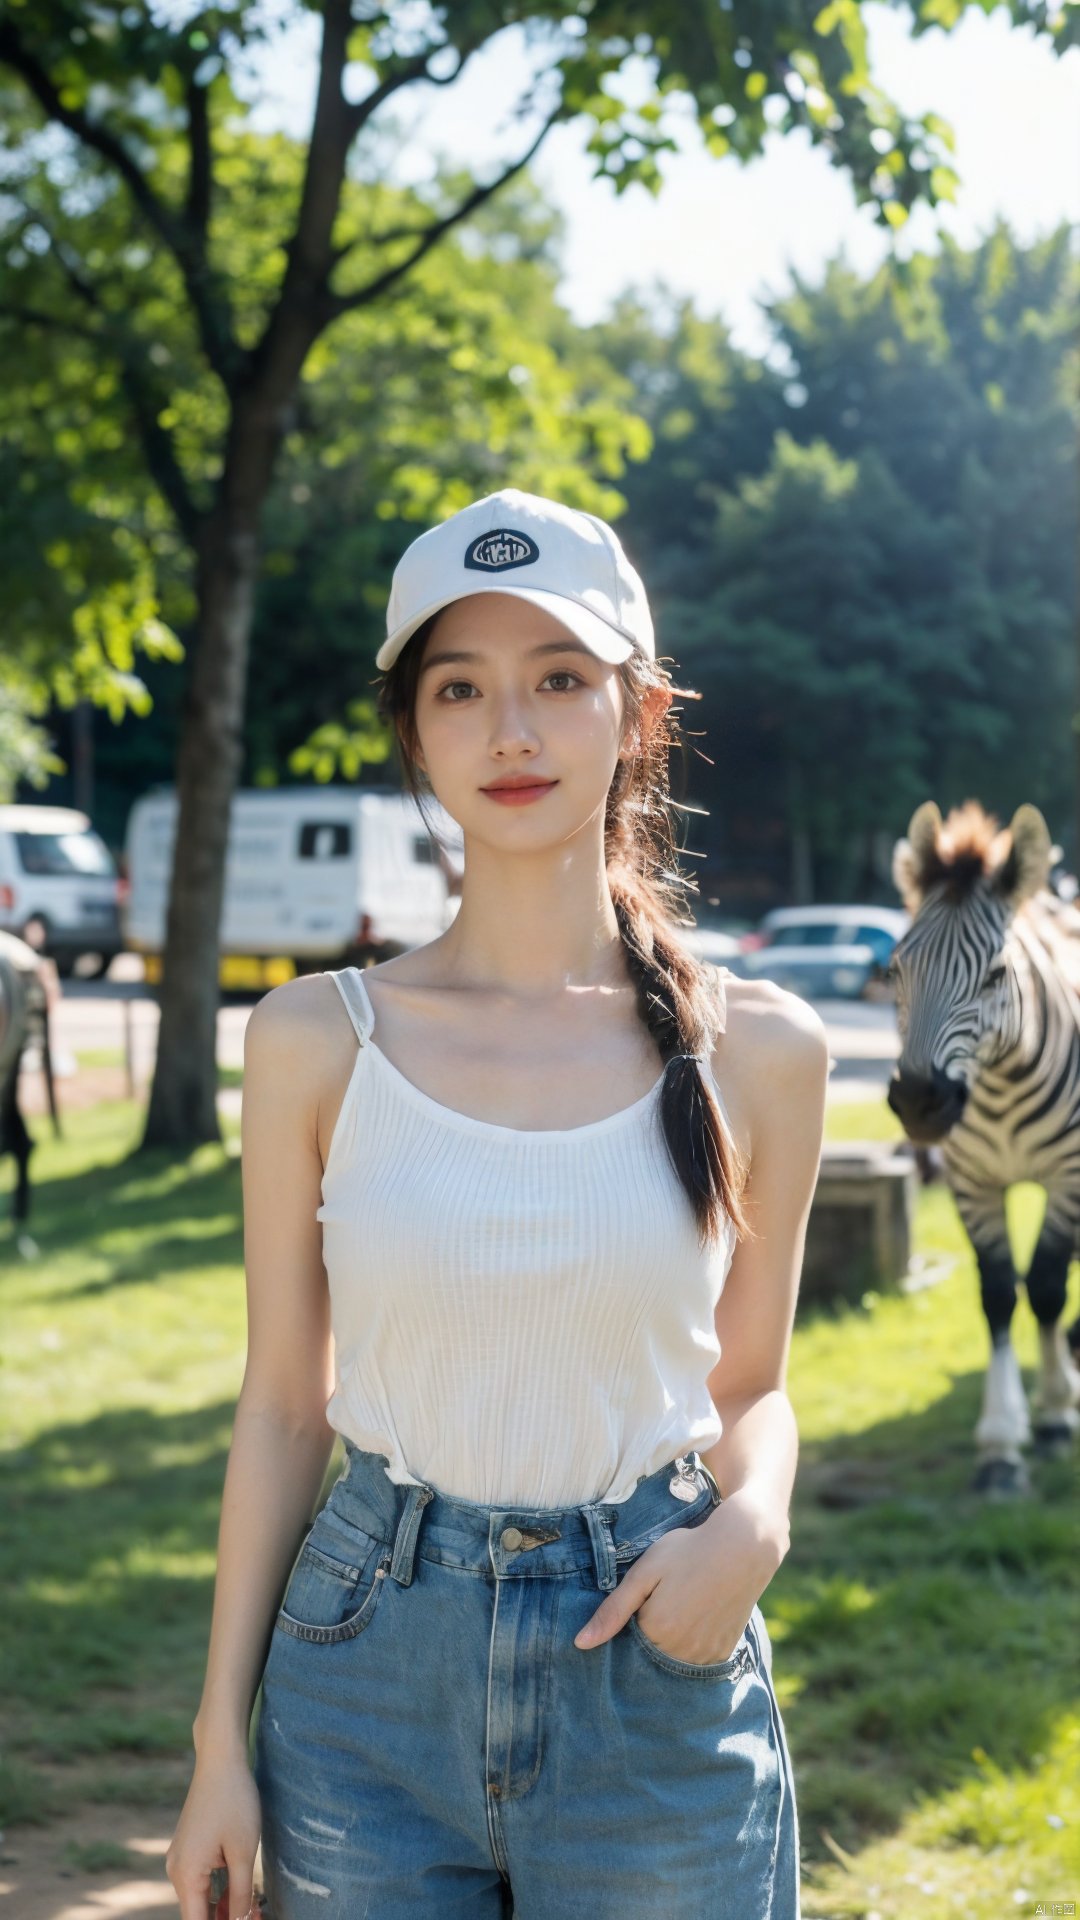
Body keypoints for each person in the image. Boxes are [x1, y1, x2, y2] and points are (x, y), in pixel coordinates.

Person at [166, 487, 828, 1920]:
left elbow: (752, 1385)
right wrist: (220, 1739)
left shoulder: (763, 1054)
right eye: (460, 688)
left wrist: (755, 1524)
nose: (510, 733)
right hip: (362, 1683)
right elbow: (285, 1406)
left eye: (560, 682)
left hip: (654, 1665)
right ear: (413, 729)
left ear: (638, 713)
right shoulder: (313, 1042)